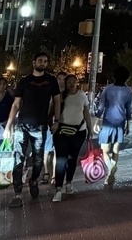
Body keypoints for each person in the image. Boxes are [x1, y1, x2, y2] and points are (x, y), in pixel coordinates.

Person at [3, 52, 62, 208]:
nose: (43, 63)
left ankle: (34, 179)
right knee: (18, 160)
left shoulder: (51, 81)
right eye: (40, 60)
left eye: (45, 61)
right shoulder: (24, 82)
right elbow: (16, 104)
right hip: (22, 125)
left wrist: (56, 120)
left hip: (41, 125)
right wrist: (9, 125)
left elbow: (57, 101)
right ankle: (17, 194)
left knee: (38, 162)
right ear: (34, 61)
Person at [52, 72, 92, 202]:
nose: (70, 84)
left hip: (78, 131)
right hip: (62, 131)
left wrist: (90, 129)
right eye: (68, 81)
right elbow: (51, 111)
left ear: (77, 83)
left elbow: (86, 113)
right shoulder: (60, 96)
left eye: (73, 81)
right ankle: (58, 188)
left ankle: (68, 182)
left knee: (72, 158)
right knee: (61, 159)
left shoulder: (82, 96)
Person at [94, 66, 132, 187]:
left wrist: (96, 121)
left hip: (107, 122)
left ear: (114, 76)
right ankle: (112, 170)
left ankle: (111, 168)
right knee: (116, 151)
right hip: (120, 123)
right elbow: (129, 109)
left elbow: (101, 106)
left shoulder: (108, 89)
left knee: (105, 150)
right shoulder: (128, 91)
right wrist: (128, 125)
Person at [42, 71, 67, 185]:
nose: (61, 81)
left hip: (63, 125)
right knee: (46, 151)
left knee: (57, 151)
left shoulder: (67, 95)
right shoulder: (50, 93)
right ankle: (46, 172)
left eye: (63, 79)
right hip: (49, 125)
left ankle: (54, 175)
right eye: (59, 79)